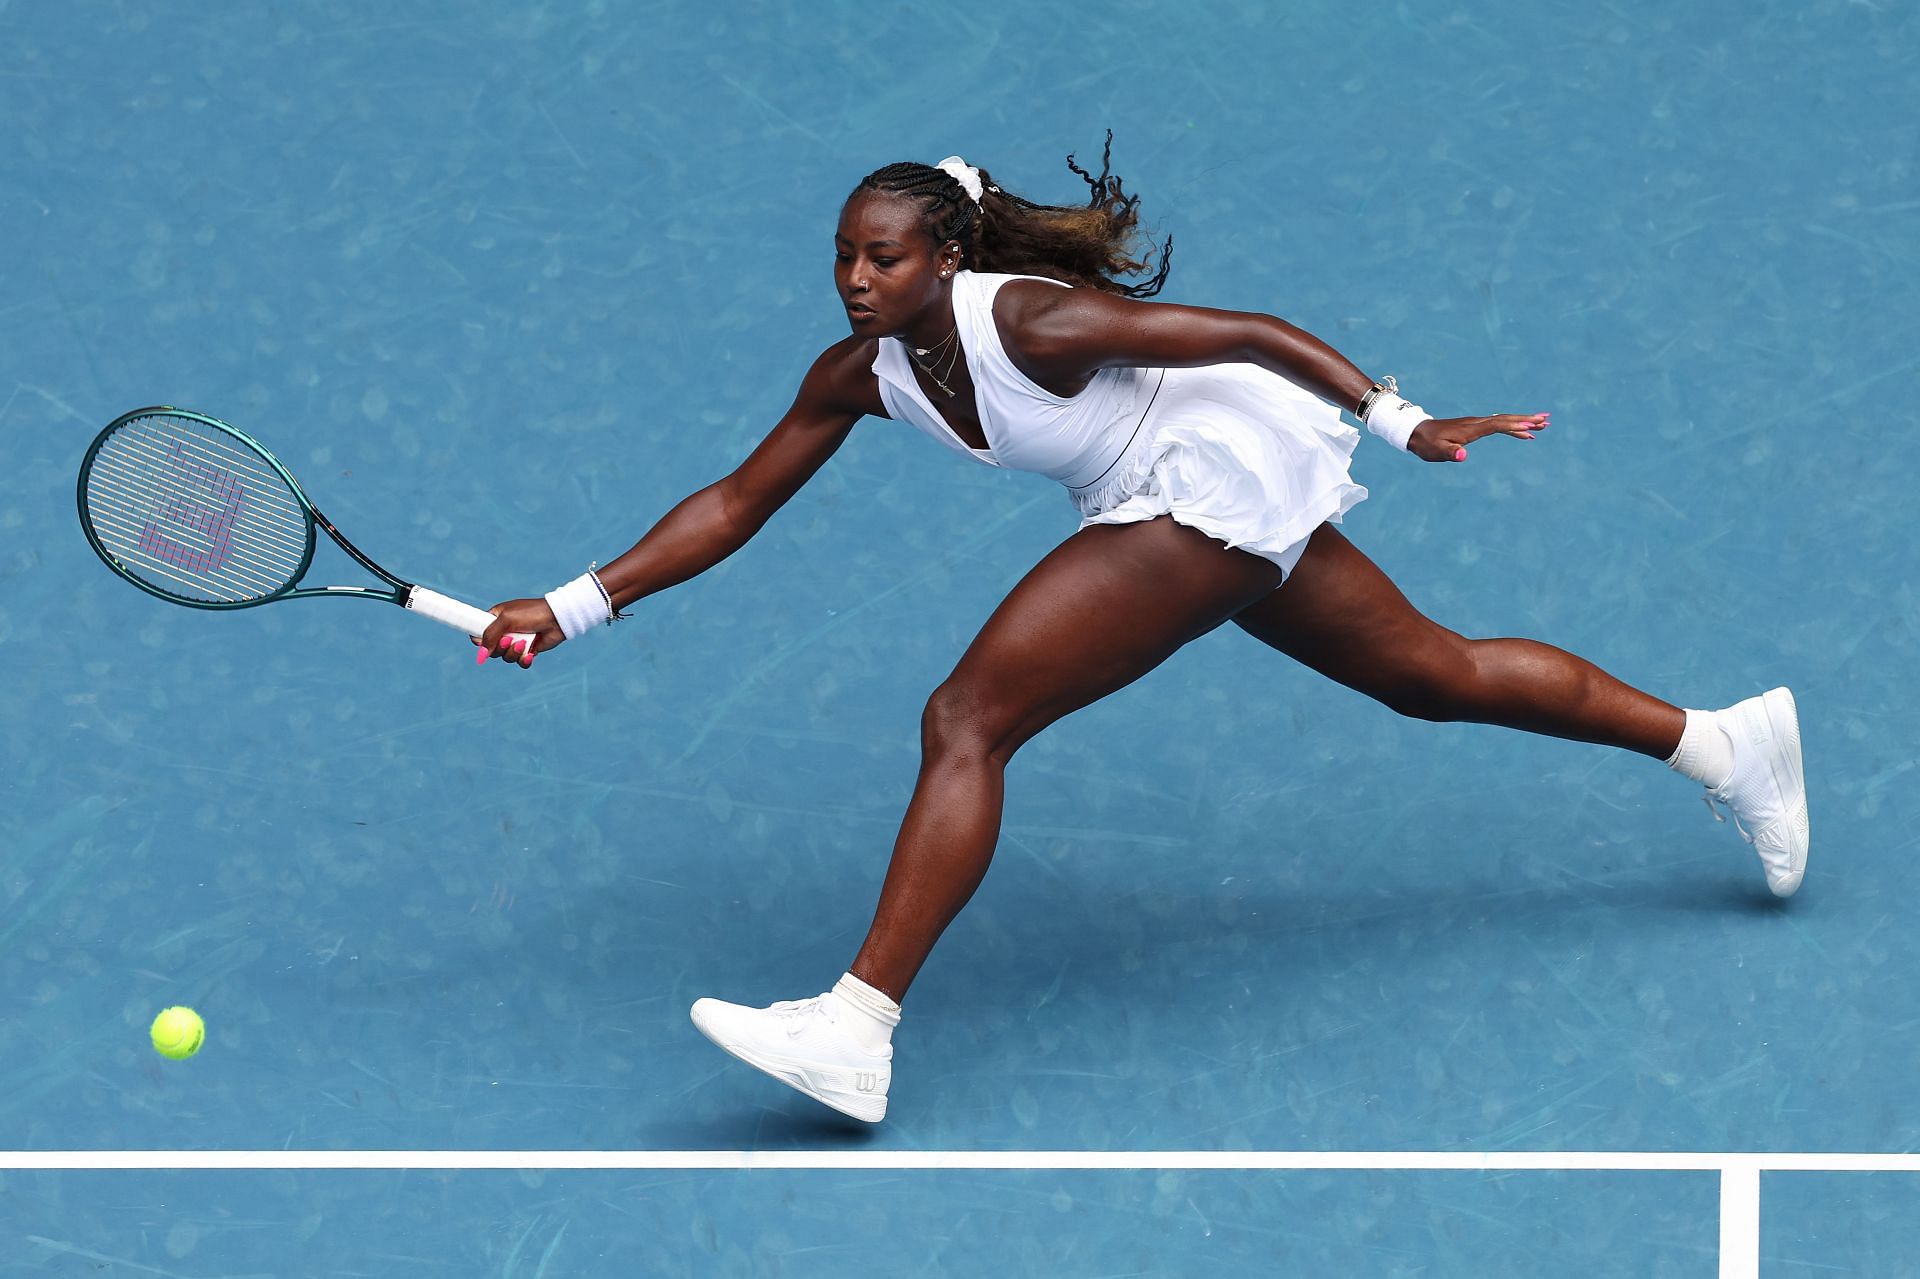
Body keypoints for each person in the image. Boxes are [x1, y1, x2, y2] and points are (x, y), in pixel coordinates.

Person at [477, 142, 1808, 1124]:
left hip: (1207, 477)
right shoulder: (862, 375)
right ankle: (1723, 745)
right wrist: (576, 604)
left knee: (969, 717)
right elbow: (736, 501)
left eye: (882, 255)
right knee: (1433, 675)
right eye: (842, 255)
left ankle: (856, 1023)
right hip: (1161, 498)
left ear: (947, 256)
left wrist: (1406, 422)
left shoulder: (1039, 321)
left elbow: (1248, 329)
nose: (856, 279)